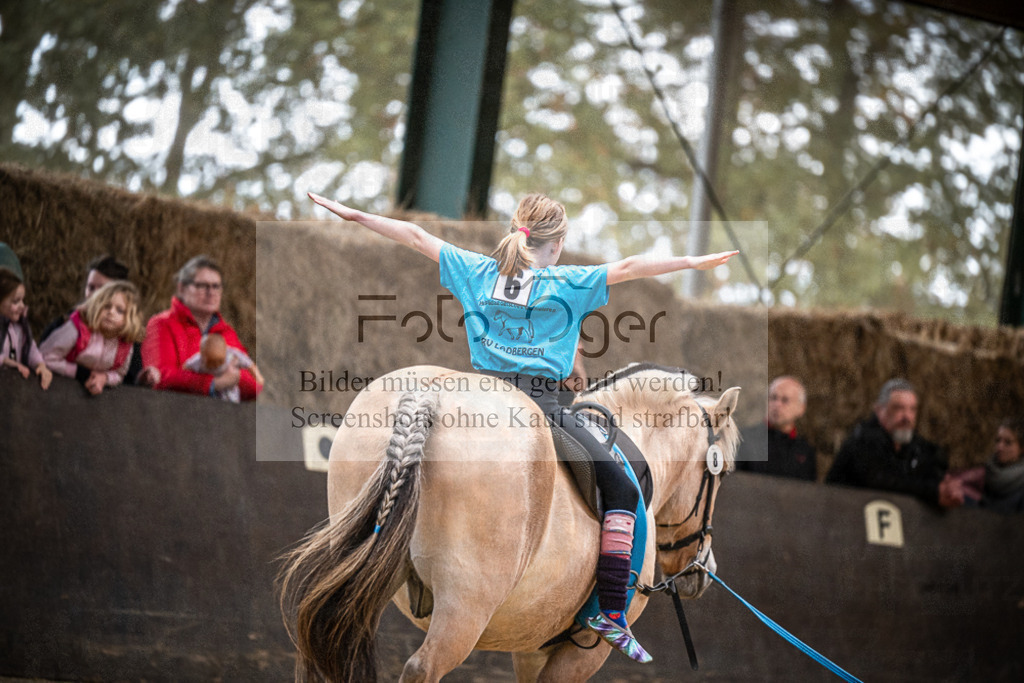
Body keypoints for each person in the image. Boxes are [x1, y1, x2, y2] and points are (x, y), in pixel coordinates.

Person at [309, 190, 738, 664]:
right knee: (622, 487)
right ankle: (610, 612)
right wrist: (695, 262)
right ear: (558, 243)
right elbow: (633, 266)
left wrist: (350, 213)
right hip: (541, 405)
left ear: (516, 231)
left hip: (482, 393)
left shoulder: (478, 269)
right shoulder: (566, 282)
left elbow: (413, 234)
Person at [826, 378, 963, 508]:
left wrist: (946, 486)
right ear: (879, 411)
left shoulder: (915, 445)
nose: (907, 417)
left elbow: (930, 467)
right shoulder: (862, 441)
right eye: (898, 408)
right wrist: (933, 490)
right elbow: (883, 481)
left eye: (912, 409)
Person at [142, 255, 262, 401]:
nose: (211, 292)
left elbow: (254, 385)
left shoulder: (226, 332)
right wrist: (215, 383)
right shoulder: (161, 324)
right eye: (202, 286)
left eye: (216, 286)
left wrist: (233, 377)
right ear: (181, 288)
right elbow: (161, 377)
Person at [40, 255, 159, 387]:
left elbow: (127, 380)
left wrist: (139, 379)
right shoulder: (69, 324)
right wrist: (81, 373)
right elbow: (42, 357)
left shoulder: (127, 340)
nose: (95, 296)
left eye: (102, 290)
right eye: (91, 287)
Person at [40, 281, 145, 396]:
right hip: (54, 386)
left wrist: (104, 378)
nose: (111, 312)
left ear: (129, 318)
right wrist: (78, 373)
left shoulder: (124, 345)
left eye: (120, 310)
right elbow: (45, 357)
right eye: (106, 306)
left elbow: (119, 374)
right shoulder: (78, 329)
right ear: (97, 305)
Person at [736, 376, 816, 481]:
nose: (777, 405)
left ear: (801, 408)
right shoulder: (744, 439)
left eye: (785, 400)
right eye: (773, 398)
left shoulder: (805, 451)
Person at [1, 266, 52, 390]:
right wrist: (5, 361)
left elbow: (30, 349)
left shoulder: (20, 328)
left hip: (10, 391)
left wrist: (40, 365)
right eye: (15, 301)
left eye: (22, 300)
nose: (22, 306)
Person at [182, 332, 264, 403]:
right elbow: (185, 367)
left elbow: (249, 363)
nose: (215, 366)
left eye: (219, 362)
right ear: (202, 356)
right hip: (209, 390)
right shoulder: (198, 360)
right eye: (211, 363)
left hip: (229, 393)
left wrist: (258, 377)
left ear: (225, 351)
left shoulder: (232, 355)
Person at [979, 417, 1024, 514]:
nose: (1000, 447)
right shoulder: (992, 472)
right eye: (998, 440)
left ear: (1021, 448)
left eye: (1008, 442)